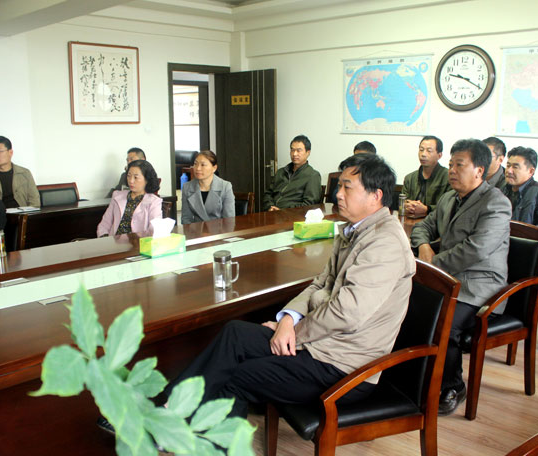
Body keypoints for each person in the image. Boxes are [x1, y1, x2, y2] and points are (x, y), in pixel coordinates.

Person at [165, 153, 416, 419]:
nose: (338, 194)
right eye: (339, 186)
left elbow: (346, 313)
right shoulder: (353, 230)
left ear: (375, 196)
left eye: (347, 187)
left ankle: (193, 429)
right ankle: (169, 407)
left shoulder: (385, 243)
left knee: (237, 375)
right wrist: (287, 319)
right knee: (234, 333)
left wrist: (295, 333)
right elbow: (320, 283)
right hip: (320, 341)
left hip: (343, 364)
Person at [410, 138, 511, 416]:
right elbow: (423, 227)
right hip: (445, 278)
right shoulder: (448, 198)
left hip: (479, 285)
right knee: (404, 308)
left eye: (459, 165)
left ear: (479, 170)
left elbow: (475, 250)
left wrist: (432, 264)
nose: (452, 170)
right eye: (451, 164)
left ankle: (452, 386)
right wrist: (424, 246)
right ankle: (416, 378)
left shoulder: (496, 203)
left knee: (444, 324)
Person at [504, 146, 538, 281]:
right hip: (506, 253)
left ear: (531, 171)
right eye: (508, 165)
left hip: (532, 260)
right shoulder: (503, 190)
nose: (509, 170)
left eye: (515, 167)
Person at [96, 160, 162, 237]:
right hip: (113, 242)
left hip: (138, 242)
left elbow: (154, 229)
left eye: (136, 177)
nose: (131, 181)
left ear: (147, 179)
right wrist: (104, 238)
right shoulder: (117, 196)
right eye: (129, 176)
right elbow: (104, 224)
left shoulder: (154, 201)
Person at [262, 135, 322, 211]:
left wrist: (282, 210)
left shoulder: (313, 175)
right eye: (292, 150)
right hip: (271, 213)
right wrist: (270, 207)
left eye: (299, 150)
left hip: (292, 216)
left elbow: (309, 204)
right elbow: (268, 194)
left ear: (308, 152)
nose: (294, 154)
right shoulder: (281, 172)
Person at [0, 136, 40, 208]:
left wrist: (30, 213)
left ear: (10, 152)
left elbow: (34, 200)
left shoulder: (24, 173)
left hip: (23, 213)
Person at [181, 150, 235, 224]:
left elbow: (229, 221)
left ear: (214, 168)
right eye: (195, 164)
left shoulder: (225, 187)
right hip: (197, 230)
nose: (198, 168)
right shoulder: (187, 187)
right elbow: (186, 219)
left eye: (203, 165)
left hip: (219, 230)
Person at [403, 135, 451, 218]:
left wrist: (427, 209)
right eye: (421, 150)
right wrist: (408, 205)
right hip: (411, 220)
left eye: (429, 151)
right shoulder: (409, 178)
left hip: (436, 222)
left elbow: (449, 206)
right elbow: (403, 201)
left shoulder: (449, 177)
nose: (423, 154)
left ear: (439, 155)